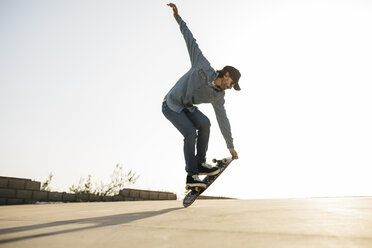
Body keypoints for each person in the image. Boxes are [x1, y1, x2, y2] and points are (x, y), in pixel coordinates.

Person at [163, 3, 241, 189]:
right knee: (190, 132)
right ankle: (191, 176)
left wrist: (230, 145)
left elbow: (223, 119)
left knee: (205, 123)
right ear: (226, 75)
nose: (230, 88)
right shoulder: (202, 65)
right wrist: (178, 18)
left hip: (187, 108)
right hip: (171, 105)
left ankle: (200, 164)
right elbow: (190, 40)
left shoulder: (219, 96)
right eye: (231, 84)